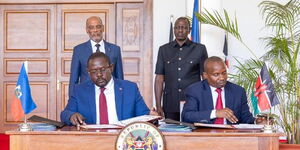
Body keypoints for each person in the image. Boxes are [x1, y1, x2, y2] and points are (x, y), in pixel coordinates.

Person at [61, 52, 155, 127]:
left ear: (111, 68)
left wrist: (152, 116)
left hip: (121, 138)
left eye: (102, 70)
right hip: (91, 140)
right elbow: (65, 114)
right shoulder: (79, 90)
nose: (99, 74)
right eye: (94, 71)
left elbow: (144, 115)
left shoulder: (130, 89)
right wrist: (71, 116)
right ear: (88, 72)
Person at [154, 17, 208, 121]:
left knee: (193, 134)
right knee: (171, 134)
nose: (180, 30)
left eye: (183, 27)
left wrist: (206, 101)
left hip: (193, 101)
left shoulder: (200, 49)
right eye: (177, 27)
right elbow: (159, 78)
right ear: (174, 29)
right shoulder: (163, 49)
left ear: (189, 30)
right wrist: (158, 105)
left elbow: (205, 77)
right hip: (170, 102)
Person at [182, 56, 257, 124]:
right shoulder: (194, 90)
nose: (222, 78)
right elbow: (187, 116)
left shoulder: (238, 91)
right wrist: (215, 113)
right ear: (205, 75)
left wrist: (257, 121)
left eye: (224, 73)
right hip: (205, 136)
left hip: (231, 136)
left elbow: (246, 118)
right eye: (216, 74)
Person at [69, 16, 123, 97]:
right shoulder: (78, 50)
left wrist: (121, 96)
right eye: (91, 27)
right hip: (87, 94)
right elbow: (74, 79)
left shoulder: (115, 49)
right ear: (87, 30)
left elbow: (120, 78)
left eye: (98, 27)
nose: (95, 30)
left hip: (110, 94)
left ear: (103, 28)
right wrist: (72, 101)